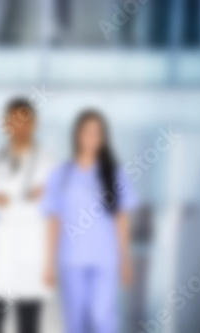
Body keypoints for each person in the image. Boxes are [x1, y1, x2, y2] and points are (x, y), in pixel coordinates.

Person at [43, 110, 137, 333]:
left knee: (103, 319)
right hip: (72, 261)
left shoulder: (114, 174)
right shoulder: (62, 174)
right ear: (77, 135)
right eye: (86, 132)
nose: (91, 137)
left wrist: (125, 260)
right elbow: (54, 220)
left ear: (103, 138)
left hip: (105, 260)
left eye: (97, 133)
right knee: (75, 322)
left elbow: (121, 219)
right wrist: (49, 263)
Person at [0, 99, 54, 333]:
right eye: (13, 121)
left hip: (32, 260)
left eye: (24, 121)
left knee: (29, 325)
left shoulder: (49, 165)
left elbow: (55, 217)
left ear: (35, 124)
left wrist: (51, 264)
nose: (19, 127)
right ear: (5, 124)